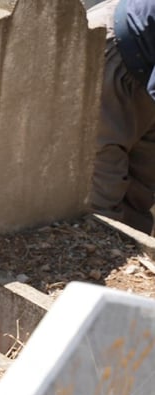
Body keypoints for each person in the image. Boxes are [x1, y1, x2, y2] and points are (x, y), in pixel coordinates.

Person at [89, 0, 155, 234]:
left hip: (146, 70)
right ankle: (91, 265)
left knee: (139, 195)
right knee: (100, 194)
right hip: (110, 52)